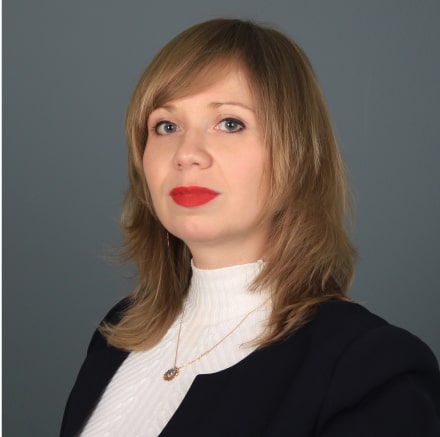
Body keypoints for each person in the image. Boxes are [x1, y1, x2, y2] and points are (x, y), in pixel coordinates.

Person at [60, 18, 440, 436]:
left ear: (296, 155)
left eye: (229, 123)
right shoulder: (117, 333)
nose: (187, 153)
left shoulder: (370, 370)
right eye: (167, 126)